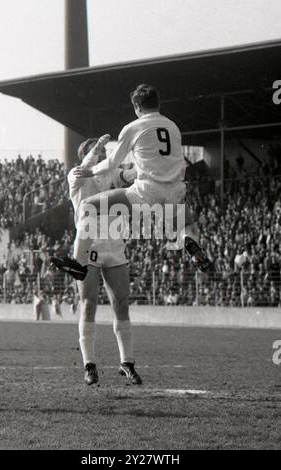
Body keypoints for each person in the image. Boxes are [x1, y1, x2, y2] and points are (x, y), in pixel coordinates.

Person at [52, 84, 212, 279]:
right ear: (157, 103)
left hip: (146, 190)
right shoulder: (173, 127)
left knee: (87, 206)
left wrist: (91, 171)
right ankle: (190, 242)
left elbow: (112, 162)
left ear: (137, 106)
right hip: (175, 190)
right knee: (188, 226)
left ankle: (79, 264)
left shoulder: (133, 128)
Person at [53, 138, 142, 386]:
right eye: (100, 152)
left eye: (105, 151)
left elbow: (133, 174)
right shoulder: (77, 175)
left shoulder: (112, 173)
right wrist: (96, 147)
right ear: (86, 155)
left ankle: (127, 363)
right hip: (88, 245)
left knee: (121, 304)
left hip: (114, 244)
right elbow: (88, 164)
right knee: (88, 303)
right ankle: (89, 366)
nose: (104, 155)